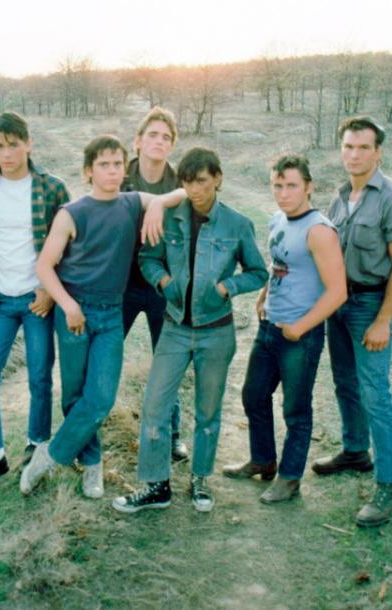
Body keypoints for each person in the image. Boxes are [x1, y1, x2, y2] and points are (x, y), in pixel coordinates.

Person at [21, 135, 186, 499]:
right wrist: (67, 305)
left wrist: (157, 204)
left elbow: (184, 194)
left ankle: (50, 455)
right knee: (75, 395)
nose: (111, 171)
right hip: (74, 313)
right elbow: (45, 266)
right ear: (88, 171)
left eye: (117, 164)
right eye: (103, 165)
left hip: (111, 314)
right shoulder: (72, 213)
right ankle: (92, 466)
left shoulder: (130, 204)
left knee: (100, 398)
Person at [112, 147, 268, 514]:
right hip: (174, 329)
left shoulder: (238, 224)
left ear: (217, 179)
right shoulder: (170, 217)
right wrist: (164, 281)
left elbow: (259, 272)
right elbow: (147, 259)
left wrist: (228, 287)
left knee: (208, 411)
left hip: (216, 332)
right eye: (187, 181)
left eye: (201, 180)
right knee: (154, 406)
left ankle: (200, 480)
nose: (194, 189)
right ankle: (156, 485)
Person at [312, 116, 392, 528]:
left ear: (378, 152)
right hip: (339, 304)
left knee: (376, 392)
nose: (353, 154)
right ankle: (355, 450)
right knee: (345, 384)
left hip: (370, 305)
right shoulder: (340, 198)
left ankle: (390, 488)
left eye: (362, 147)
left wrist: (384, 319)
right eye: (348, 147)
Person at [221, 154, 346, 503]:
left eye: (292, 185)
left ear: (309, 187)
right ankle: (262, 461)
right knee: (253, 395)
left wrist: (300, 327)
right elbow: (281, 264)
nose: (284, 193)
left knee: (296, 410)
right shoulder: (278, 219)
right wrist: (263, 295)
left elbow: (338, 291)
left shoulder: (319, 230)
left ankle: (290, 479)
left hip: (299, 336)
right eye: (278, 185)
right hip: (269, 327)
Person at [0, 112, 70, 493]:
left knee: (40, 377)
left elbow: (67, 246)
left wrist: (48, 291)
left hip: (37, 299)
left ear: (28, 144)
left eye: (12, 145)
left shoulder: (51, 188)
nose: (5, 153)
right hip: (0, 299)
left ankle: (37, 445)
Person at [121, 107, 188, 462]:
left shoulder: (180, 182)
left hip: (162, 284)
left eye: (166, 137)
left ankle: (172, 433)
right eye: (153, 135)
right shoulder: (120, 175)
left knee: (168, 360)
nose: (159, 141)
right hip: (121, 284)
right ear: (138, 141)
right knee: (102, 353)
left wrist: (164, 200)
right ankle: (88, 426)